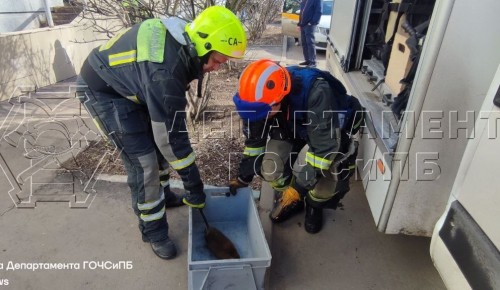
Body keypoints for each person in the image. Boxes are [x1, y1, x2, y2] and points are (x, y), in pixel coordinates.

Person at [77, 6, 246, 259]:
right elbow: (172, 138)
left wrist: (191, 185)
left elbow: (166, 135)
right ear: (203, 46)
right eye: (217, 60)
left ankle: (164, 194)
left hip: (134, 85)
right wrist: (194, 186)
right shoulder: (164, 72)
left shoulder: (185, 41)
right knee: (144, 163)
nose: (217, 68)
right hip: (104, 91)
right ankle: (153, 230)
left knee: (158, 146)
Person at [229, 59, 364, 234]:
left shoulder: (316, 92)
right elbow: (255, 142)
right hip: (294, 126)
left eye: (264, 113)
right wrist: (243, 177)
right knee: (271, 167)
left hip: (330, 130)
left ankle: (315, 205)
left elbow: (324, 150)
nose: (261, 117)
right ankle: (293, 201)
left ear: (280, 99)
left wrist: (298, 189)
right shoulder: (256, 98)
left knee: (328, 175)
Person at [298, 0, 321, 67]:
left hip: (310, 25)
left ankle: (313, 62)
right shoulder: (304, 1)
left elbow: (318, 12)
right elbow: (301, 13)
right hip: (303, 25)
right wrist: (299, 24)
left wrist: (312, 22)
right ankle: (307, 60)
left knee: (310, 43)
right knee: (304, 43)